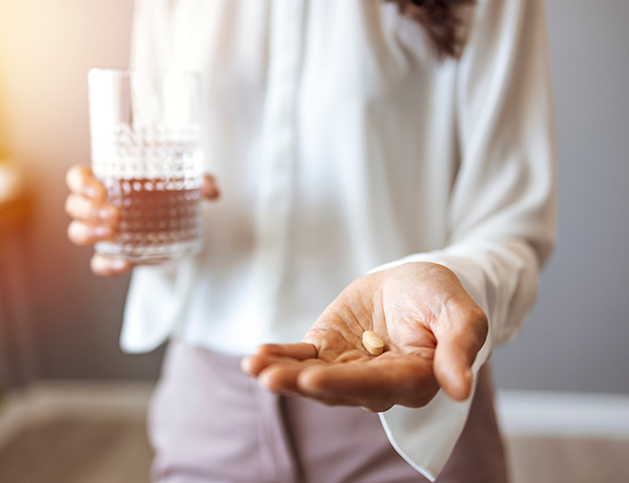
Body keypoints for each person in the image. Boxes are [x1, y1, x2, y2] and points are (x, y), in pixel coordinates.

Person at [66, 0, 555, 481]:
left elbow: (510, 221)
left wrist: (449, 282)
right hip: (211, 404)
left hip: (401, 404)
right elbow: (156, 153)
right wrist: (125, 222)